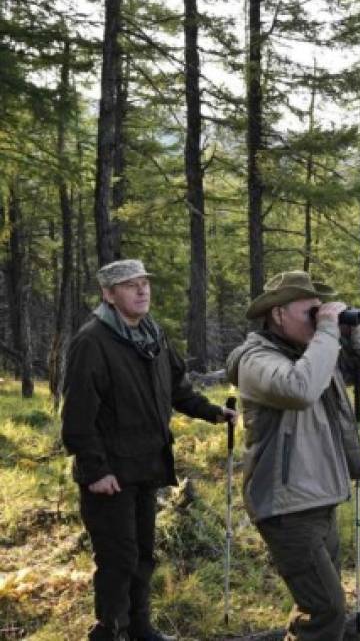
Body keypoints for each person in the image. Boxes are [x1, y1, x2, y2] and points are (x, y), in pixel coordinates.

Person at [61, 259, 238, 641]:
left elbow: (178, 389)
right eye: (129, 285)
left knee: (142, 554)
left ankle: (140, 628)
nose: (142, 291)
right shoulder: (92, 341)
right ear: (109, 294)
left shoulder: (153, 335)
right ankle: (110, 631)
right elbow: (76, 417)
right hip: (110, 475)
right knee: (117, 558)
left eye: (144, 282)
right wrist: (95, 471)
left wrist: (212, 412)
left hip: (147, 466)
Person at [226, 270, 360, 641]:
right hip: (287, 506)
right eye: (311, 312)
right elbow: (299, 389)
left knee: (315, 604)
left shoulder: (309, 353)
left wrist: (350, 336)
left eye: (322, 312)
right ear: (277, 314)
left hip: (321, 496)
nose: (319, 318)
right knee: (326, 610)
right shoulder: (255, 360)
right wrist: (325, 333)